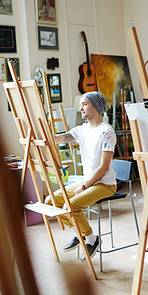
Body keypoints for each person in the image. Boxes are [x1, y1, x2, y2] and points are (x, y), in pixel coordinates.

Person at [46, 91, 116, 261]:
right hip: (87, 182)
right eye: (81, 104)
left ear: (96, 107)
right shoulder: (81, 129)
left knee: (72, 206)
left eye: (84, 104)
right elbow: (58, 139)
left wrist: (83, 187)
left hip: (104, 184)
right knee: (51, 201)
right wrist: (41, 130)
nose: (81, 108)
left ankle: (91, 240)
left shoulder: (106, 132)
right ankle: (80, 234)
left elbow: (103, 168)